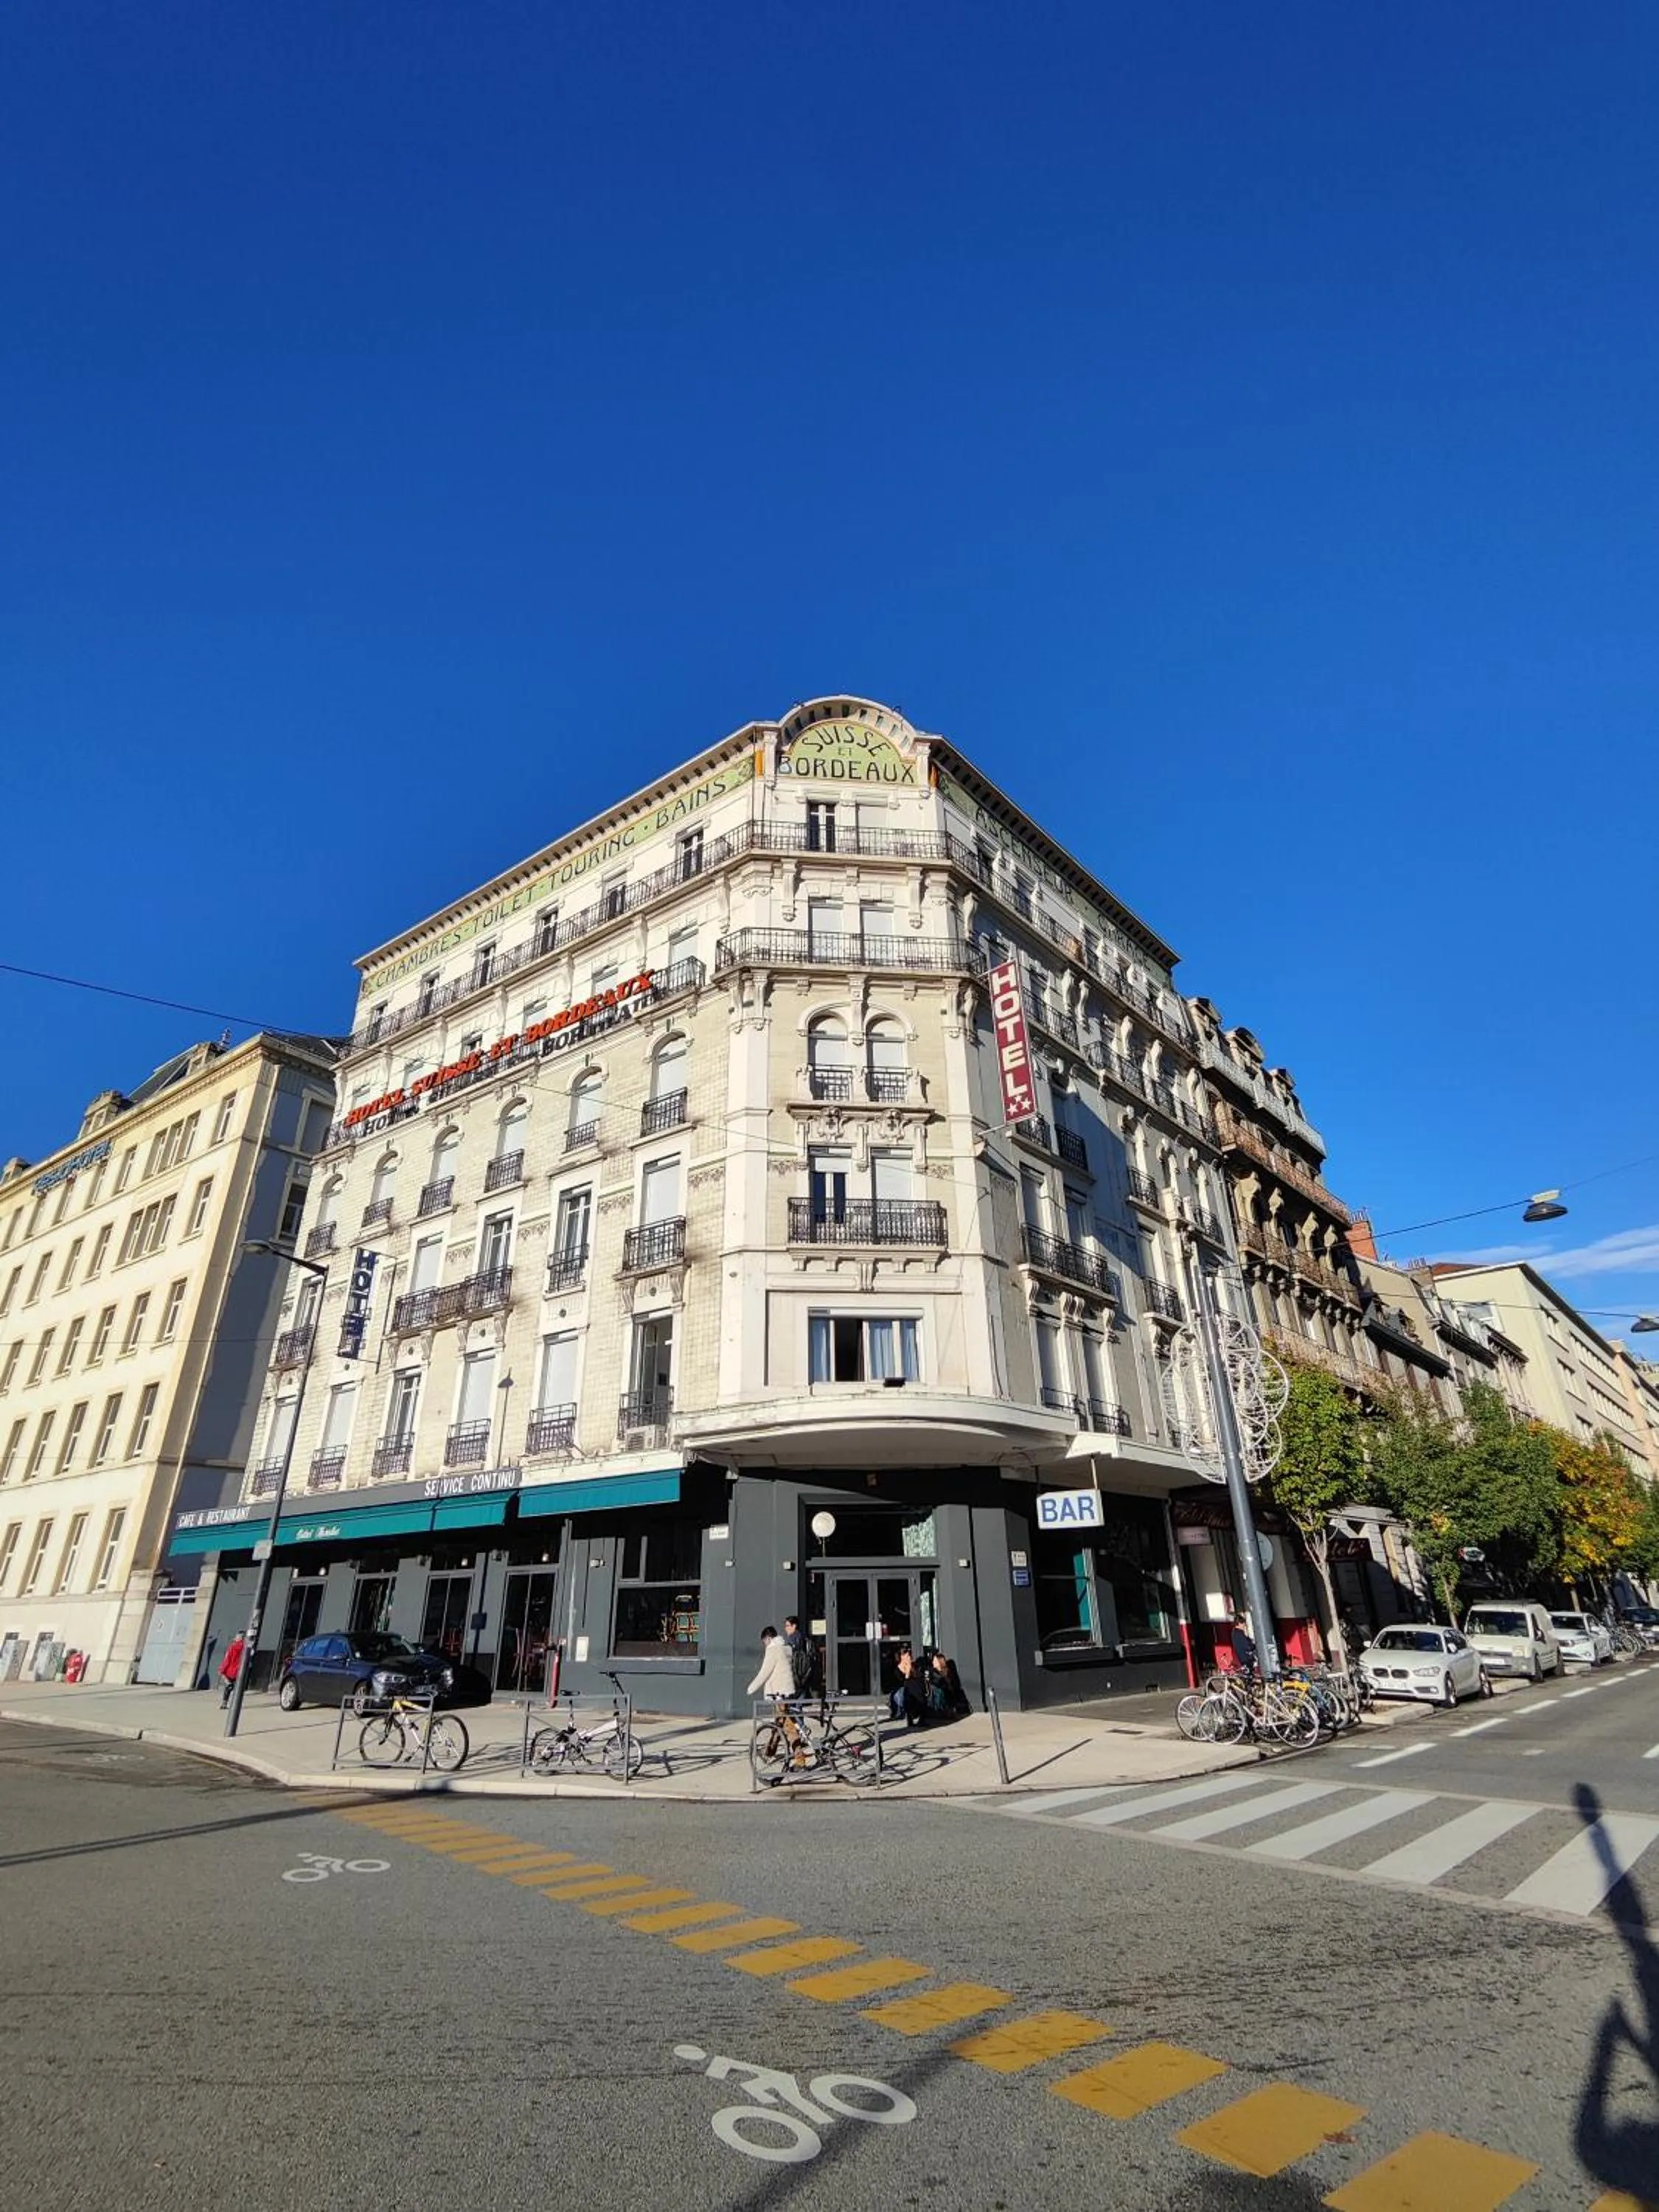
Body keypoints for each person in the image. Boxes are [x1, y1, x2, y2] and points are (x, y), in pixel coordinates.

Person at [746, 1625, 807, 1767]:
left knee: (788, 1728)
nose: (764, 1644)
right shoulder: (786, 1648)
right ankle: (769, 1751)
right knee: (779, 1725)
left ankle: (800, 1760)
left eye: (764, 1641)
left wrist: (751, 1688)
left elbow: (765, 1672)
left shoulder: (773, 1650)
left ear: (768, 1638)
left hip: (779, 1695)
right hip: (787, 1693)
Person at [925, 1649, 969, 1719]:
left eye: (935, 1660)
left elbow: (947, 1684)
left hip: (946, 1694)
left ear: (939, 1662)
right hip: (942, 1695)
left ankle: (946, 1711)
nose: (933, 1662)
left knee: (939, 1691)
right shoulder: (933, 1672)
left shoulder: (946, 1672)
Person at [888, 1646, 926, 1727]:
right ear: (902, 1657)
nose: (910, 1657)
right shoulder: (897, 1670)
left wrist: (913, 1670)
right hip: (901, 1691)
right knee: (908, 1693)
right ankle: (909, 1717)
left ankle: (920, 1718)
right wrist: (908, 1671)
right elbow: (902, 1682)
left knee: (919, 1690)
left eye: (910, 1655)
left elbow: (918, 1678)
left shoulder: (914, 1666)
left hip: (914, 1690)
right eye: (908, 1656)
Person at [218, 1632, 246, 1709]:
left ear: (239, 1638)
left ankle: (225, 1703)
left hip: (231, 1670)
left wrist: (222, 1669)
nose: (235, 1638)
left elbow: (228, 1659)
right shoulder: (246, 1648)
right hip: (240, 1670)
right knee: (237, 1687)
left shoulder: (233, 1647)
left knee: (228, 1687)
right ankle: (235, 1703)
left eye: (236, 1637)